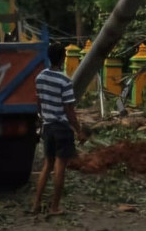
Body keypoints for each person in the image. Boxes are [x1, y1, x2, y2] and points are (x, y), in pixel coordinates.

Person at [31, 43, 85, 216]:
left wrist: (42, 118)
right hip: (62, 128)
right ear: (63, 58)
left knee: (47, 165)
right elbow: (69, 110)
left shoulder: (40, 77)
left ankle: (36, 204)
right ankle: (54, 207)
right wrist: (78, 130)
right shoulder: (65, 81)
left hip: (48, 127)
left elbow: (39, 103)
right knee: (60, 167)